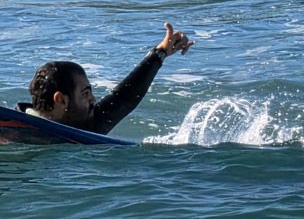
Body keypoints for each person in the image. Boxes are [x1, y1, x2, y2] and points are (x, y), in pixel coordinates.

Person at [18, 22, 195, 135]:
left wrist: (160, 53)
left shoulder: (84, 127)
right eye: (85, 94)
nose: (93, 99)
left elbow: (124, 98)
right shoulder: (12, 128)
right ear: (61, 100)